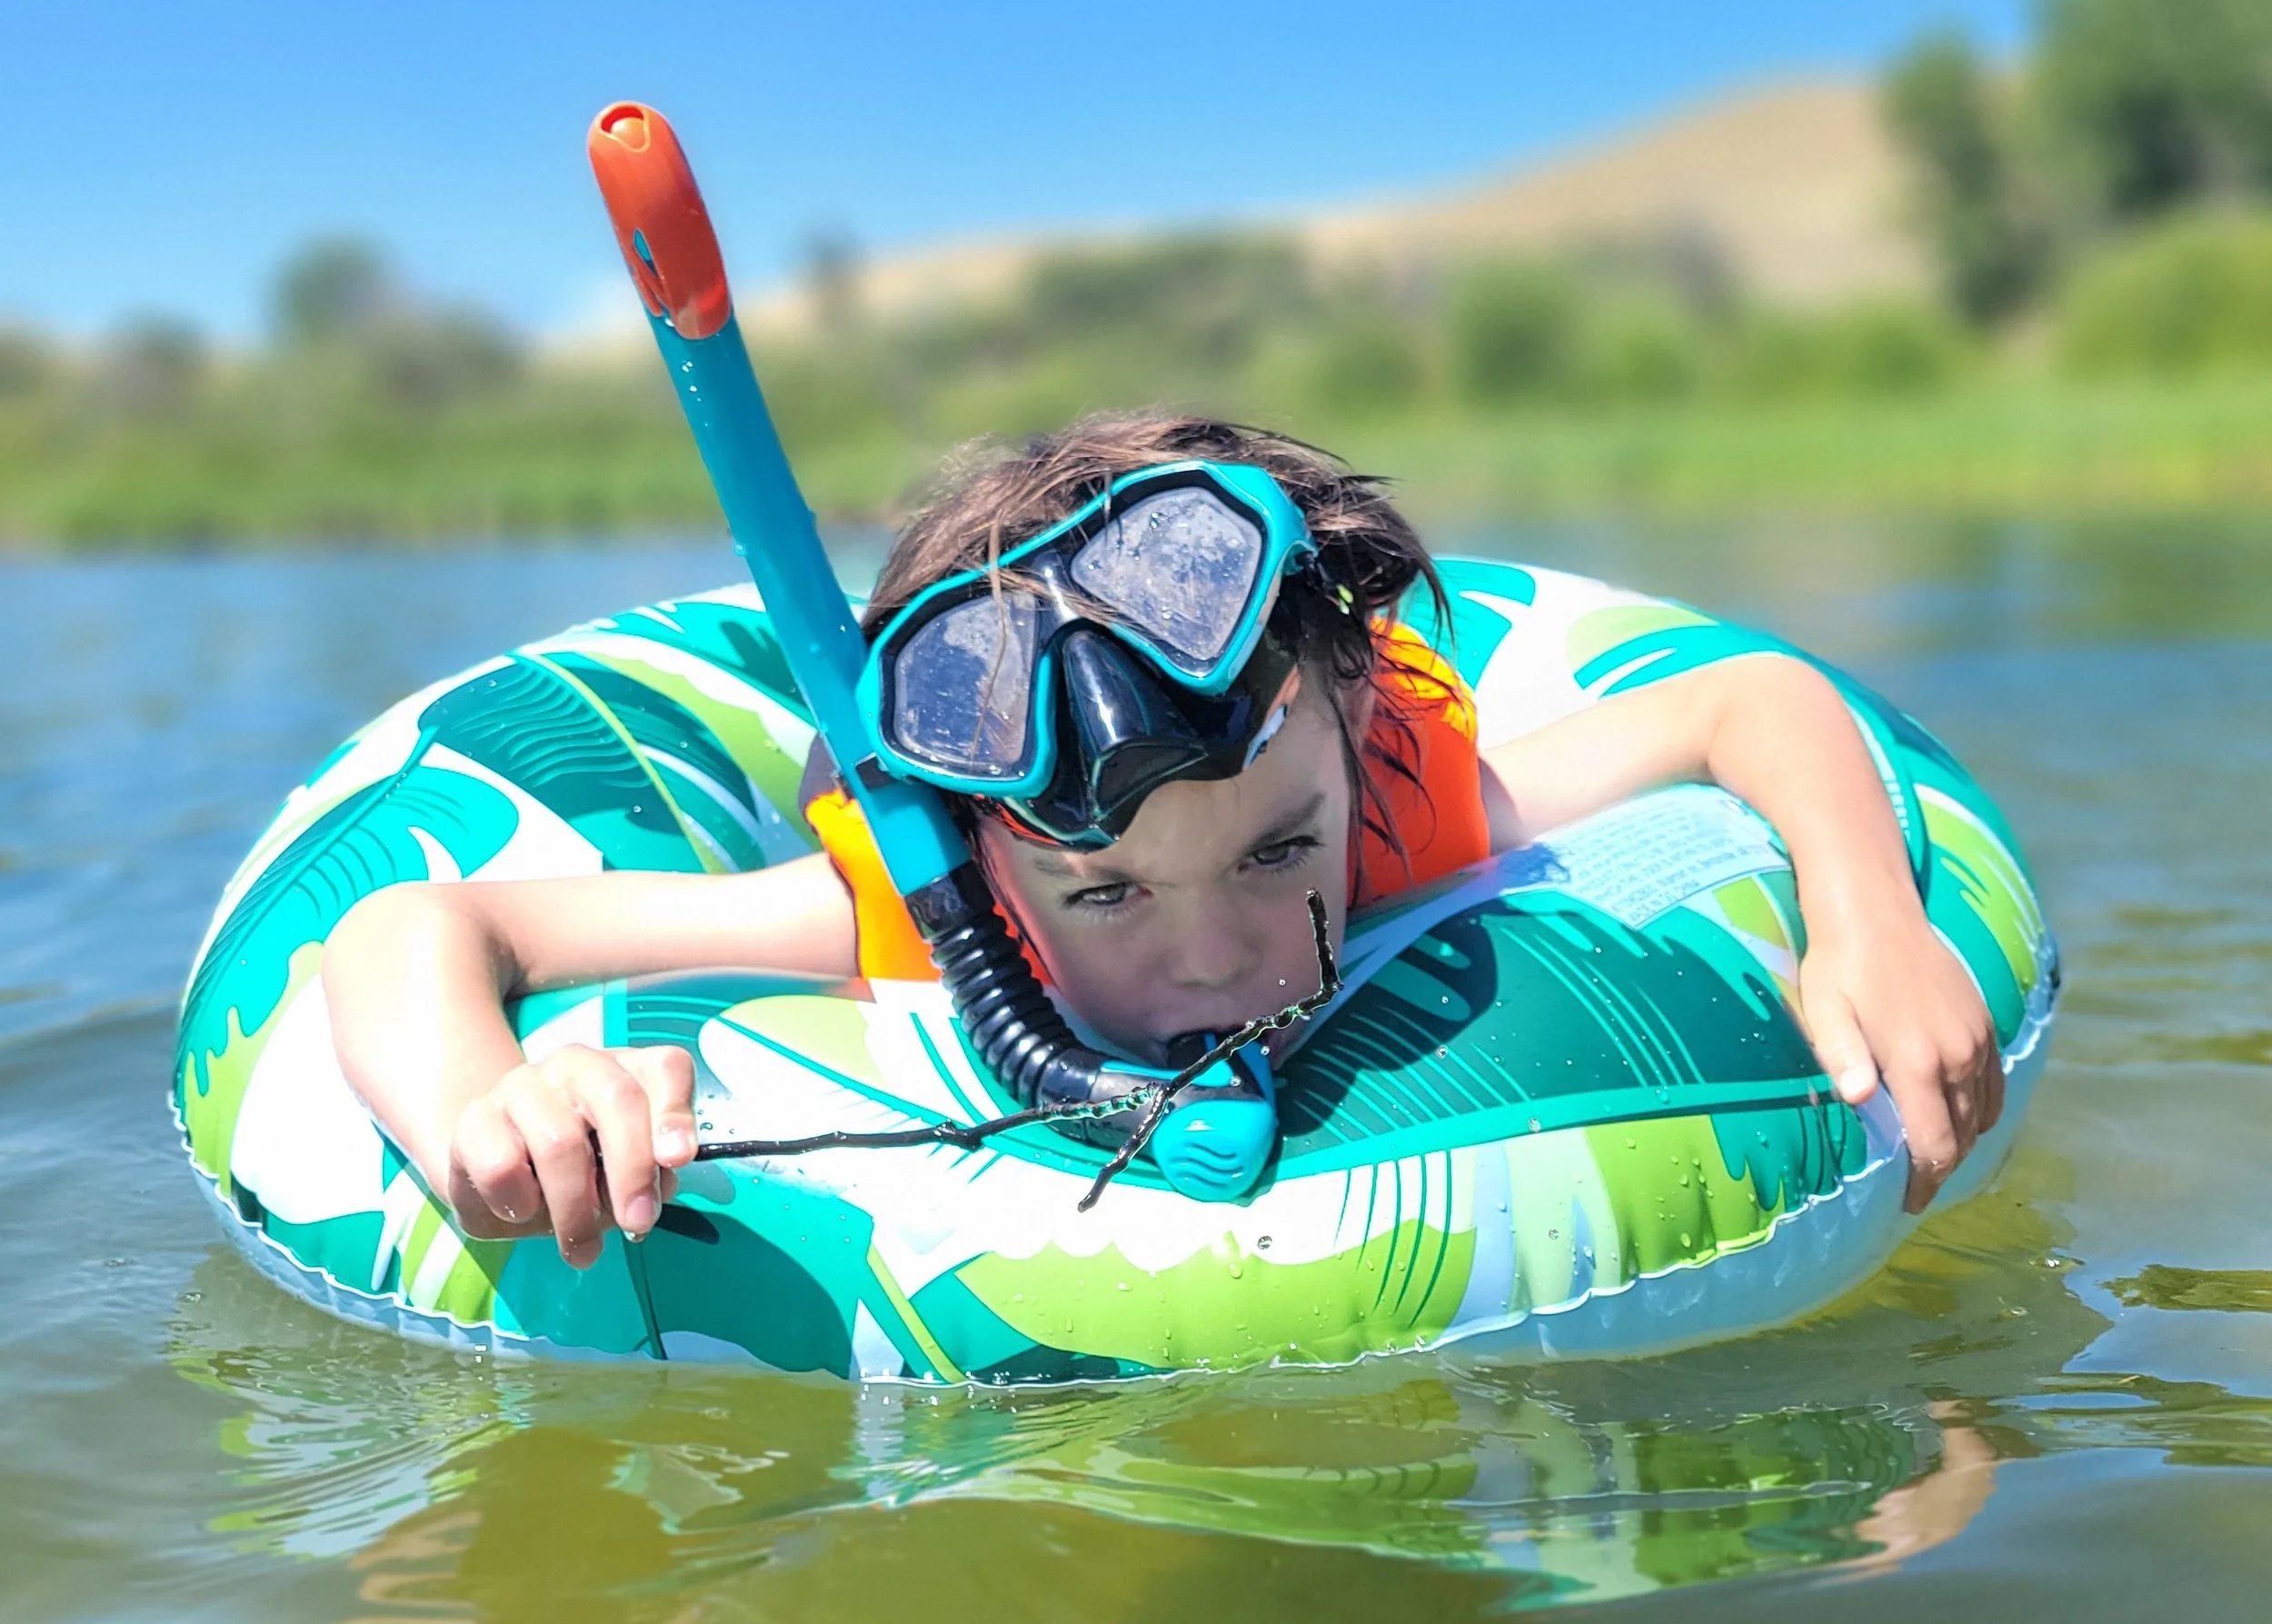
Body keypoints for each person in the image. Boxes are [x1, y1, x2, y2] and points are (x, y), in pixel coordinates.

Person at [324, 413, 2002, 1272]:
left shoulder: (1414, 795)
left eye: (1280, 854)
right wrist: (500, 1106)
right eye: (1107, 893)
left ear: (1351, 743)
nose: (1213, 962)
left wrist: (1865, 917)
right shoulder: (928, 907)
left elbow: (1749, 701)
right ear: (983, 853)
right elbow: (417, 934)